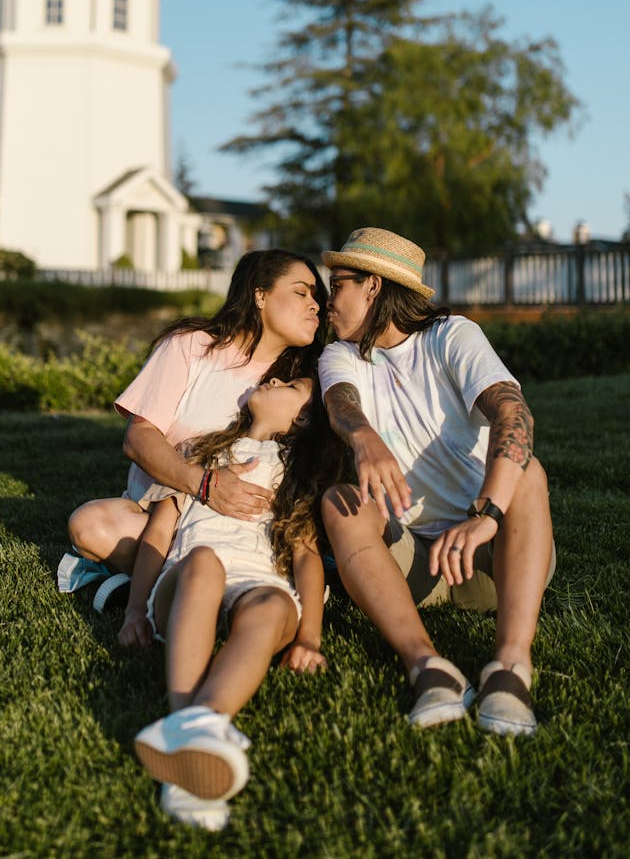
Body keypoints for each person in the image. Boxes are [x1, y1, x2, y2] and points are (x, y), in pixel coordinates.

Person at [318, 227, 555, 737]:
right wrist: (363, 436)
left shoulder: (451, 336)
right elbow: (341, 404)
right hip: (415, 569)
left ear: (373, 287)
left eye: (336, 284)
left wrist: (486, 515)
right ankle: (427, 666)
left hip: (497, 560)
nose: (325, 298)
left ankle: (511, 667)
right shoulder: (340, 355)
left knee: (529, 472)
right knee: (340, 501)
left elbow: (514, 412)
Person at [61, 250, 327, 623]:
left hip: (247, 528)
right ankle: (181, 588)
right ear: (260, 294)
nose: (315, 305)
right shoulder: (191, 346)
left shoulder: (302, 383)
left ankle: (160, 587)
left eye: (317, 296)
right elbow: (138, 438)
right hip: (163, 517)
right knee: (91, 527)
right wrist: (205, 485)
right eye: (302, 292)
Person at [132, 373, 338, 830]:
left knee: (270, 605)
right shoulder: (199, 454)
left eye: (294, 384)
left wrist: (309, 636)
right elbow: (159, 533)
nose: (278, 378)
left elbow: (305, 556)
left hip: (260, 581)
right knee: (205, 560)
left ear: (301, 419)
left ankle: (198, 732)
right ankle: (187, 721)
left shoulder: (295, 472)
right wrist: (133, 610)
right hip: (190, 578)